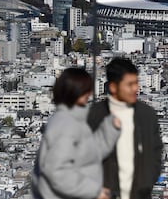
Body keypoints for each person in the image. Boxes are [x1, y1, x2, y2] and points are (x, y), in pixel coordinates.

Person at [32, 68, 120, 199]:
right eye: (86, 89)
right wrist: (95, 191)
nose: (89, 94)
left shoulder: (73, 120)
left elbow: (91, 153)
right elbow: (57, 171)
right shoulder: (65, 124)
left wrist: (111, 127)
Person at [88, 58, 163, 199]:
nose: (135, 89)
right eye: (129, 84)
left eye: (136, 83)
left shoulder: (147, 115)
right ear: (113, 87)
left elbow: (155, 154)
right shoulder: (95, 115)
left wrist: (146, 183)